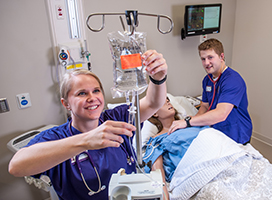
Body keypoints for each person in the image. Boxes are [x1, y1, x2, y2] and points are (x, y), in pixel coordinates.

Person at [8, 50, 168, 200]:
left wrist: (158, 78)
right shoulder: (56, 137)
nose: (92, 98)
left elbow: (153, 103)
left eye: (96, 91)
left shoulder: (116, 118)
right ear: (66, 104)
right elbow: (16, 166)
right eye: (82, 93)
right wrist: (86, 141)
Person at [169, 38, 252, 144]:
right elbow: (204, 106)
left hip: (236, 133)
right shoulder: (207, 80)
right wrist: (195, 119)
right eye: (203, 59)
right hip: (217, 131)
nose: (206, 63)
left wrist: (188, 122)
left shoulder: (233, 80)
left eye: (210, 57)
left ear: (221, 57)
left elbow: (221, 114)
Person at [144, 97, 208, 200]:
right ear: (155, 113)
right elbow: (158, 174)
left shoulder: (191, 123)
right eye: (164, 103)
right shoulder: (156, 140)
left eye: (168, 101)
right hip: (199, 171)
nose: (169, 103)